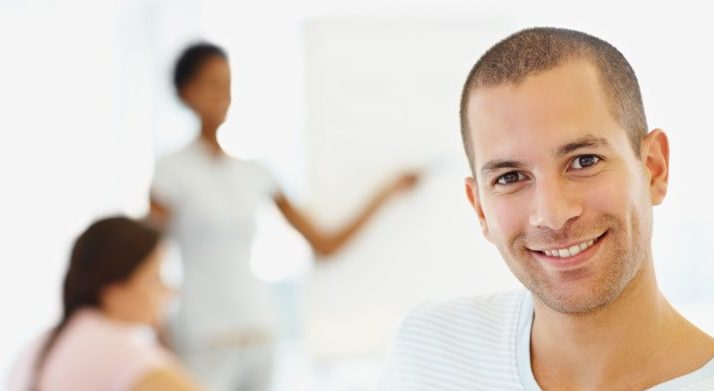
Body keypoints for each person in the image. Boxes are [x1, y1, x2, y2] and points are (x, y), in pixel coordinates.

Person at [379, 27, 714, 390]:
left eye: (584, 161)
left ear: (653, 169)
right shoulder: (427, 350)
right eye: (509, 177)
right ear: (480, 208)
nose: (553, 215)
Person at [150, 42, 417, 391]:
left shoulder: (254, 172)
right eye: (212, 84)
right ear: (187, 92)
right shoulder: (171, 171)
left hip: (258, 332)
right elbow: (145, 257)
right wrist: (157, 328)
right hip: (202, 337)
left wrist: (386, 191)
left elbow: (324, 243)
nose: (224, 95)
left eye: (228, 84)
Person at [7, 216, 203, 391]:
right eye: (155, 279)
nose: (170, 291)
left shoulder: (39, 346)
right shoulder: (120, 350)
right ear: (113, 289)